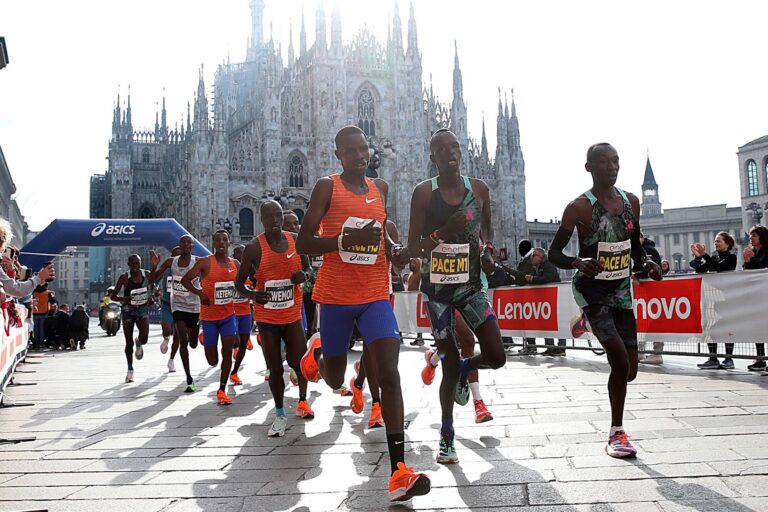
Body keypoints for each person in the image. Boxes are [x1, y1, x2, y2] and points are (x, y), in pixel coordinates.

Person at [296, 125, 430, 502]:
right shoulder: (327, 187)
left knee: (389, 372)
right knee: (334, 377)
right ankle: (318, 351)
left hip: (374, 293)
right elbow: (305, 241)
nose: (361, 154)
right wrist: (341, 242)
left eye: (364, 148)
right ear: (338, 154)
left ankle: (399, 471)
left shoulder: (380, 189)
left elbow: (382, 237)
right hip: (336, 297)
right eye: (352, 150)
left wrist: (396, 249)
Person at [549, 142, 662, 458]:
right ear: (589, 168)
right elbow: (555, 253)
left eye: (615, 161)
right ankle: (617, 433)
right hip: (591, 289)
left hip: (621, 289)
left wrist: (647, 264)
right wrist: (577, 262)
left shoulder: (632, 202)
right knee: (619, 360)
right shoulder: (579, 208)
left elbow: (634, 247)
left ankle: (584, 322)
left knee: (631, 370)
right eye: (603, 162)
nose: (611, 167)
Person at [406, 128, 505, 465]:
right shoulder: (422, 194)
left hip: (471, 288)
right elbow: (412, 249)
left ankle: (466, 370)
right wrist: (443, 232)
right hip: (437, 293)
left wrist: (487, 249)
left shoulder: (478, 190)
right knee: (448, 366)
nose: (451, 153)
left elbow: (486, 226)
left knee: (496, 354)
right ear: (432, 156)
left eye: (455, 147)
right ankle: (447, 436)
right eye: (442, 149)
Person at [236, 201, 314, 437]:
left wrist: (304, 275)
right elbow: (238, 283)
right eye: (269, 216)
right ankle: (279, 413)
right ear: (262, 219)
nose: (274, 220)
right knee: (275, 367)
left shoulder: (295, 241)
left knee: (298, 361)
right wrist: (252, 295)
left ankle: (302, 401)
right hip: (267, 318)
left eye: (278, 215)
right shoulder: (253, 248)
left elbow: (308, 269)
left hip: (291, 314)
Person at [181, 230, 239, 404]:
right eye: (218, 240)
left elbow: (243, 282)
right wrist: (200, 293)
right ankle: (204, 338)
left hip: (229, 315)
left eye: (224, 240)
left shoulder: (235, 263)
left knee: (227, 352)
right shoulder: (205, 263)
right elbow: (185, 280)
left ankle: (222, 389)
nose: (221, 243)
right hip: (209, 318)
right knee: (212, 360)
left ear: (229, 243)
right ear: (213, 243)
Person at [150, 236, 201, 393]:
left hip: (194, 306)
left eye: (188, 242)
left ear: (192, 246)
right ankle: (189, 378)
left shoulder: (198, 261)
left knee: (193, 343)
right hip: (177, 305)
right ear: (179, 245)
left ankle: (196, 335)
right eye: (182, 242)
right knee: (183, 341)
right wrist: (154, 266)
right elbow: (152, 279)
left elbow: (208, 278)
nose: (185, 245)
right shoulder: (171, 262)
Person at [690, 232, 737, 369]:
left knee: (727, 329)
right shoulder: (715, 257)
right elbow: (701, 270)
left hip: (728, 298)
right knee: (711, 329)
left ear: (728, 244)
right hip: (714, 299)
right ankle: (713, 358)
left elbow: (720, 268)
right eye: (715, 241)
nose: (716, 243)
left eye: (719, 241)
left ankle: (729, 359)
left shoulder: (731, 257)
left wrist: (705, 256)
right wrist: (698, 257)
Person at [111, 255, 154, 383]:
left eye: (138, 263)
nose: (135, 265)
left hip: (142, 309)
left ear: (140, 263)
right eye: (133, 263)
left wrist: (152, 297)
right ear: (128, 264)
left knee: (145, 338)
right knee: (128, 342)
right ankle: (130, 370)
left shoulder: (146, 274)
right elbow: (113, 296)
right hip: (128, 311)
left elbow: (153, 288)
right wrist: (123, 299)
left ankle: (139, 343)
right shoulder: (124, 277)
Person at [524, 248, 566, 356]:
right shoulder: (537, 268)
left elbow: (547, 278)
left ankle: (561, 347)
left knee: (559, 323)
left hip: (555, 299)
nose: (531, 258)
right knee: (548, 324)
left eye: (534, 255)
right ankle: (550, 347)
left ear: (541, 257)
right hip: (546, 301)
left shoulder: (548, 266)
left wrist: (533, 279)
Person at [743, 225, 768, 372]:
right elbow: (749, 273)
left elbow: (764, 270)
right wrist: (747, 261)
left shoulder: (766, 252)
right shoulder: (753, 252)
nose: (751, 238)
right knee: (757, 327)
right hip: (756, 295)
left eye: (754, 236)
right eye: (751, 235)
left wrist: (754, 260)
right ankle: (760, 358)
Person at [230, 244, 256, 386]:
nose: (241, 256)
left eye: (244, 253)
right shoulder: (229, 270)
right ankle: (231, 351)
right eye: (239, 253)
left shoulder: (251, 272)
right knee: (237, 342)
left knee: (243, 345)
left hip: (246, 312)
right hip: (231, 313)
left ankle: (234, 372)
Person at [32, 284, 54, 349]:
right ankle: (41, 344)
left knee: (35, 329)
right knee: (42, 329)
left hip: (35, 312)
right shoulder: (47, 293)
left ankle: (36, 344)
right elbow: (53, 301)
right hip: (44, 313)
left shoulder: (34, 293)